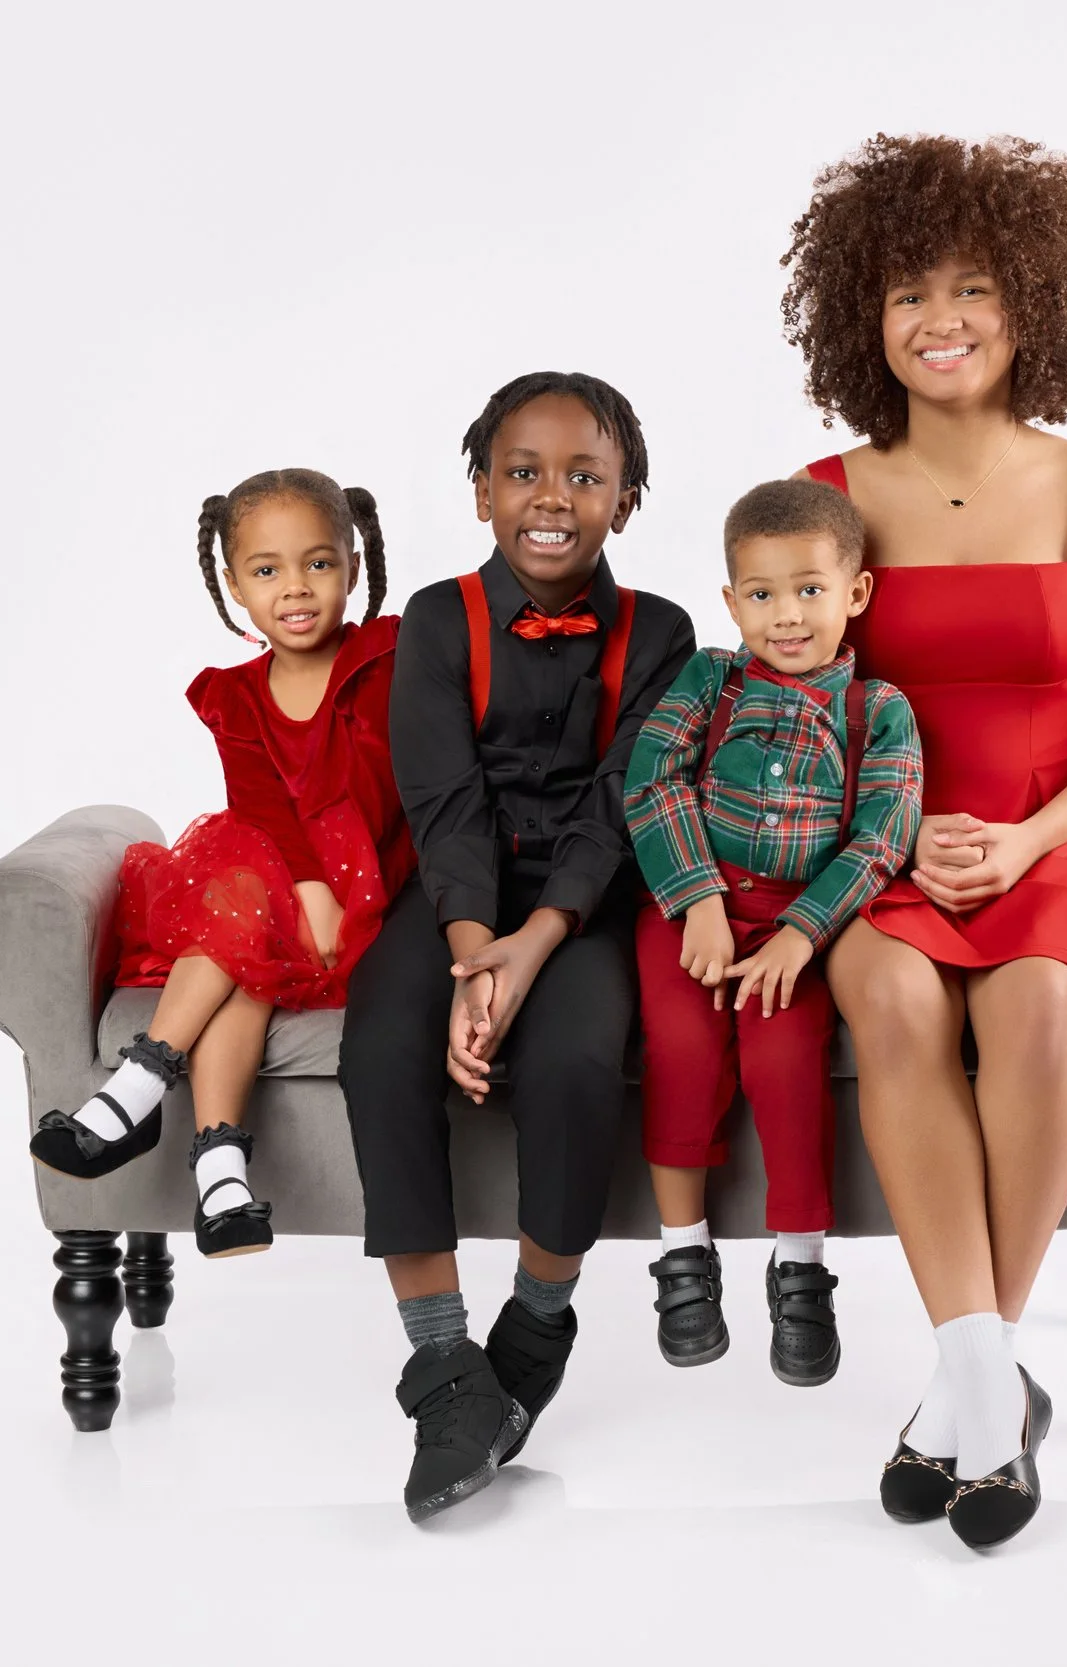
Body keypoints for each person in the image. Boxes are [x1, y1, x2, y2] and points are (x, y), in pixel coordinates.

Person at [779, 134, 1067, 1550]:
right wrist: (891, 840)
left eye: (972, 287)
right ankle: (984, 1386)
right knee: (891, 998)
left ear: (1037, 302)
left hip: (1055, 834)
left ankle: (966, 1374)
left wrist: (1027, 845)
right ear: (861, 314)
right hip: (877, 833)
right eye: (906, 291)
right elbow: (788, 705)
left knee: (1031, 1015)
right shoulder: (825, 494)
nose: (939, 318)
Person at [337, 372, 696, 1522]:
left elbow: (626, 799)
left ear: (626, 500)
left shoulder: (665, 632)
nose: (554, 496)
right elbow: (439, 798)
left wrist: (535, 946)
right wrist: (469, 953)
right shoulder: (439, 620)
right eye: (525, 472)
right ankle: (445, 1366)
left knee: (579, 1057)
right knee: (381, 1040)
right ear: (483, 489)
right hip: (461, 893)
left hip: (588, 896)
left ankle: (536, 1323)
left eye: (585, 475)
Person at [28, 469, 409, 1263]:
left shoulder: (391, 655)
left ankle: (143, 1096)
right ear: (234, 585)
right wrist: (306, 892)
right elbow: (265, 815)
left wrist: (331, 898)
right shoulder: (235, 698)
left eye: (319, 563)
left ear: (353, 565)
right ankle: (221, 1173)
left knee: (242, 927)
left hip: (378, 891)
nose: (295, 589)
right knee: (241, 911)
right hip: (283, 898)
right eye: (267, 571)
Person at [622, 479, 921, 1387]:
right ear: (730, 601)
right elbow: (651, 780)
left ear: (854, 593)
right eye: (760, 594)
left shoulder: (879, 710)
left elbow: (882, 837)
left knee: (785, 1062)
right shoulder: (711, 678)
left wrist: (800, 934)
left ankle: (801, 1266)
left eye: (808, 590)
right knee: (679, 1047)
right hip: (692, 907)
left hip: (800, 924)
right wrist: (698, 899)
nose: (785, 616)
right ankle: (684, 1258)